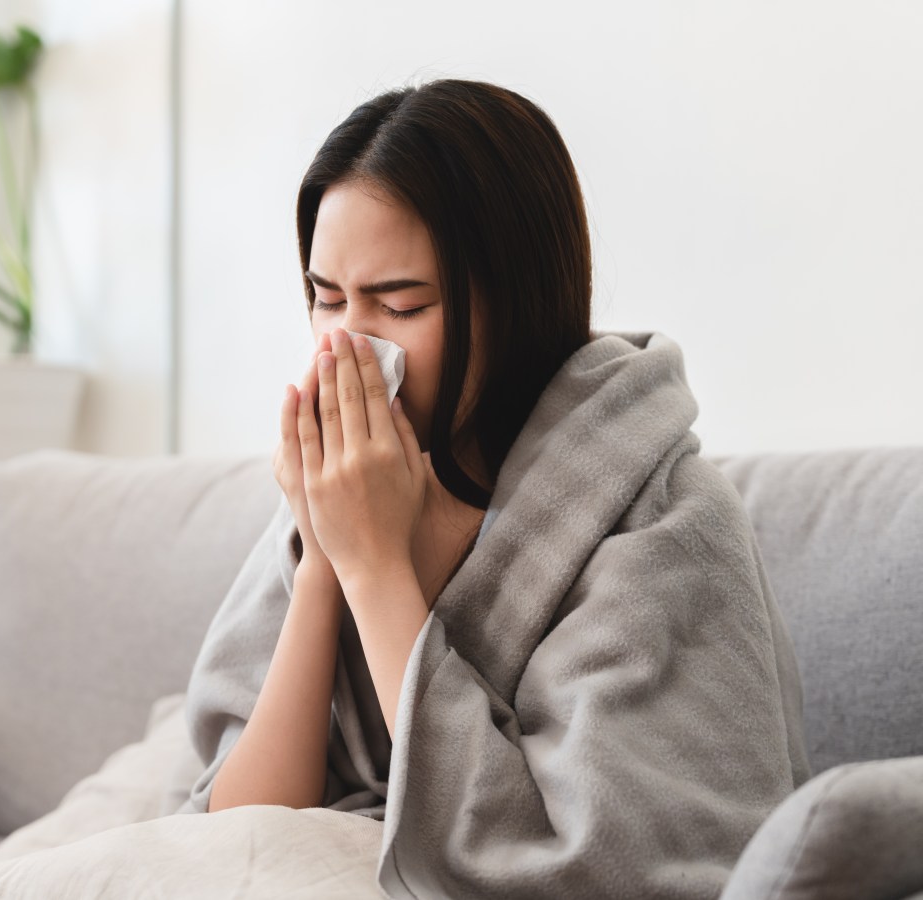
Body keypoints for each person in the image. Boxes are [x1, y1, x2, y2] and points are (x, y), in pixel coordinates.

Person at [176, 78, 810, 900]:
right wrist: (328, 561)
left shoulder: (663, 520)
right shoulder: (346, 489)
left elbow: (602, 862)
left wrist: (378, 573)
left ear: (514, 300)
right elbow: (238, 832)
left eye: (399, 304)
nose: (349, 348)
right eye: (326, 299)